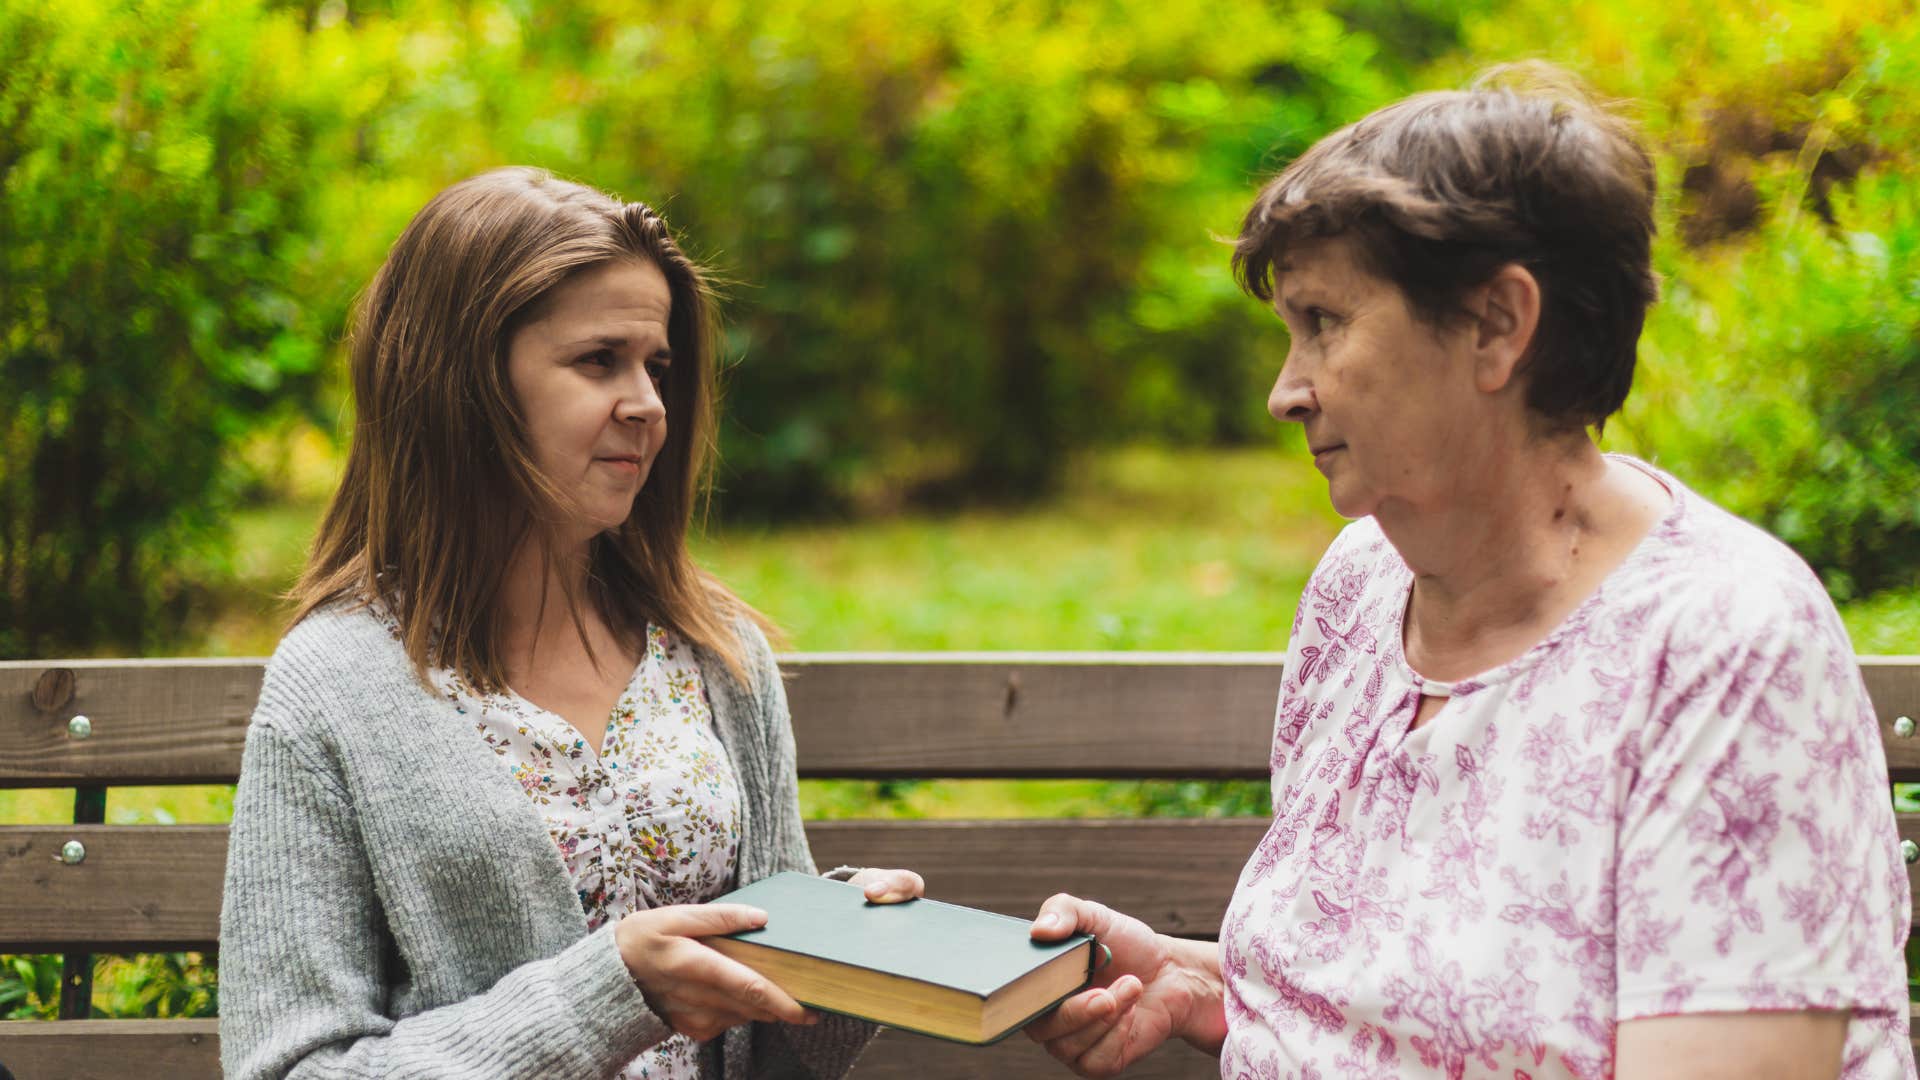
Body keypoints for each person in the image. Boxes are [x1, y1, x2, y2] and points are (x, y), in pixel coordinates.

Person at [1025, 66, 1914, 1079]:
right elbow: (1435, 1006)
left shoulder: (1727, 646)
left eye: (1324, 323)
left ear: (1497, 326)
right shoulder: (1363, 582)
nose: (1285, 392)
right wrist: (1208, 982)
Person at [219, 167, 923, 1079]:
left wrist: (838, 969)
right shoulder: (337, 686)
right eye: (600, 361)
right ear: (463, 385)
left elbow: (772, 1057)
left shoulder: (712, 652)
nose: (650, 405)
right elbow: (286, 1069)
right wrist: (609, 996)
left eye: (657, 367)